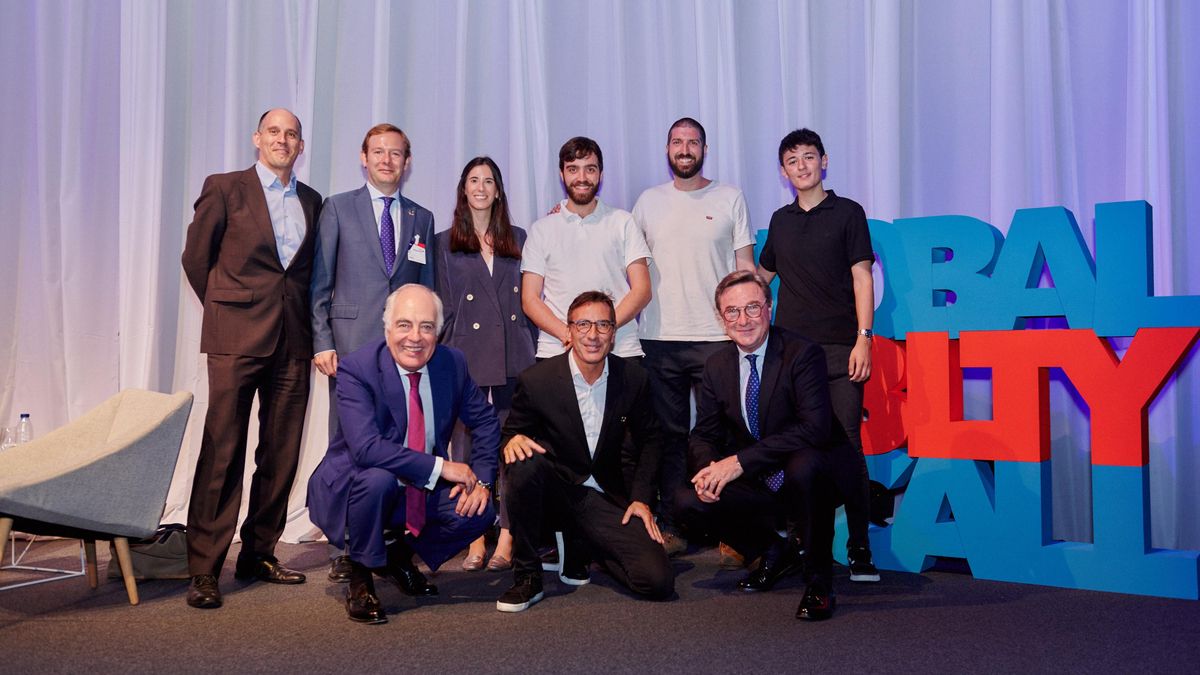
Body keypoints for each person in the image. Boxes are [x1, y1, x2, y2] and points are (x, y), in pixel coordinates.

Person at [180, 108, 322, 609]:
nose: (283, 140)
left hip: (293, 341)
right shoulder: (224, 187)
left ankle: (259, 552)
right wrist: (227, 308)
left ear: (300, 146)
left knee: (282, 454)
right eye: (275, 132)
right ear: (257, 139)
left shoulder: (311, 200)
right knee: (223, 451)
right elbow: (196, 259)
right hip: (235, 338)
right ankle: (204, 568)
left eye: (292, 134)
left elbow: (304, 275)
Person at [306, 285, 498, 624]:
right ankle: (361, 576)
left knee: (478, 511)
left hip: (415, 485)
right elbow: (366, 448)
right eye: (404, 324)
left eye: (426, 326)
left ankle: (396, 557)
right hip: (357, 483)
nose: (415, 337)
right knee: (378, 479)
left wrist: (482, 479)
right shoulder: (358, 368)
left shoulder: (452, 363)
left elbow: (485, 421)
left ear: (438, 332)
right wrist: (441, 467)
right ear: (387, 328)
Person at [674, 271, 844, 621]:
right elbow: (703, 434)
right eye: (732, 311)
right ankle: (772, 551)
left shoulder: (802, 353)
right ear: (721, 320)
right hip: (757, 478)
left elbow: (815, 428)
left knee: (805, 465)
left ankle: (819, 583)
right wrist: (709, 469)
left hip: (808, 473)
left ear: (770, 308)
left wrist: (738, 462)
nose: (743, 319)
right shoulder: (716, 365)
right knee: (686, 500)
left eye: (752, 307)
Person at [310, 123, 437, 582]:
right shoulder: (337, 209)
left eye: (396, 153)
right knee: (347, 448)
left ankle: (389, 539)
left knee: (402, 446)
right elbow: (320, 283)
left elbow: (428, 290)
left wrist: (429, 346)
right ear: (363, 158)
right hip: (349, 352)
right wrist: (322, 341)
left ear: (407, 162)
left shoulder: (422, 219)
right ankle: (343, 547)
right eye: (378, 152)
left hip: (405, 356)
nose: (387, 160)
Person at [496, 291, 674, 612]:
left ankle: (585, 542)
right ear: (569, 331)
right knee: (523, 462)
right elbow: (510, 436)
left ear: (614, 334)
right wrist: (512, 442)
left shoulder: (633, 378)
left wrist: (641, 499)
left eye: (603, 325)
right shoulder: (537, 380)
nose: (593, 335)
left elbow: (651, 440)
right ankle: (527, 574)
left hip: (605, 496)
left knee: (656, 581)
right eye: (583, 325)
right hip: (556, 491)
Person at [757, 128, 880, 583]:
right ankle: (799, 541)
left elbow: (862, 279)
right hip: (789, 354)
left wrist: (864, 338)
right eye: (792, 160)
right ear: (784, 170)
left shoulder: (848, 213)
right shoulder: (780, 220)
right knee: (795, 447)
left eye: (809, 157)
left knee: (847, 444)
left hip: (840, 351)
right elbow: (760, 275)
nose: (801, 166)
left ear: (824, 162)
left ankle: (860, 546)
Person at [632, 117, 755, 557]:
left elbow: (745, 267)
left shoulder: (729, 197)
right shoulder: (647, 202)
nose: (685, 149)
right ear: (667, 149)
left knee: (722, 434)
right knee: (667, 436)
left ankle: (730, 528)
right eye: (677, 142)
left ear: (705, 148)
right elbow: (625, 261)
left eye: (693, 142)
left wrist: (749, 327)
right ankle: (673, 524)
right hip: (660, 337)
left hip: (717, 338)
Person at [435, 157, 536, 572]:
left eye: (488, 180)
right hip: (466, 357)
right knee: (467, 449)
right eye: (473, 180)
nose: (481, 187)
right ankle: (474, 535)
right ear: (463, 188)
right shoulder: (443, 241)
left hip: (514, 355)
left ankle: (507, 538)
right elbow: (441, 306)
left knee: (512, 449)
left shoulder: (520, 236)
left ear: (498, 190)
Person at [521, 136, 652, 361]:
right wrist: (570, 334)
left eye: (590, 169)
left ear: (601, 174)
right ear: (562, 175)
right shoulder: (541, 229)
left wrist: (603, 330)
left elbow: (642, 290)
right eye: (573, 169)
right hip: (557, 350)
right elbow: (530, 299)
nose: (581, 177)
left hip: (620, 349)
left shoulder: (624, 222)